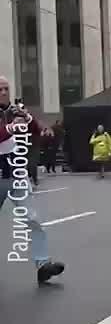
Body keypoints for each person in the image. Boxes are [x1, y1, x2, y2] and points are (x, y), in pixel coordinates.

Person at [0, 76, 64, 284]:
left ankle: (43, 263)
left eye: (6, 88)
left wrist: (28, 119)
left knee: (33, 218)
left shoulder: (15, 110)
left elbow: (38, 133)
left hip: (17, 173)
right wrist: (11, 128)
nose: (3, 92)